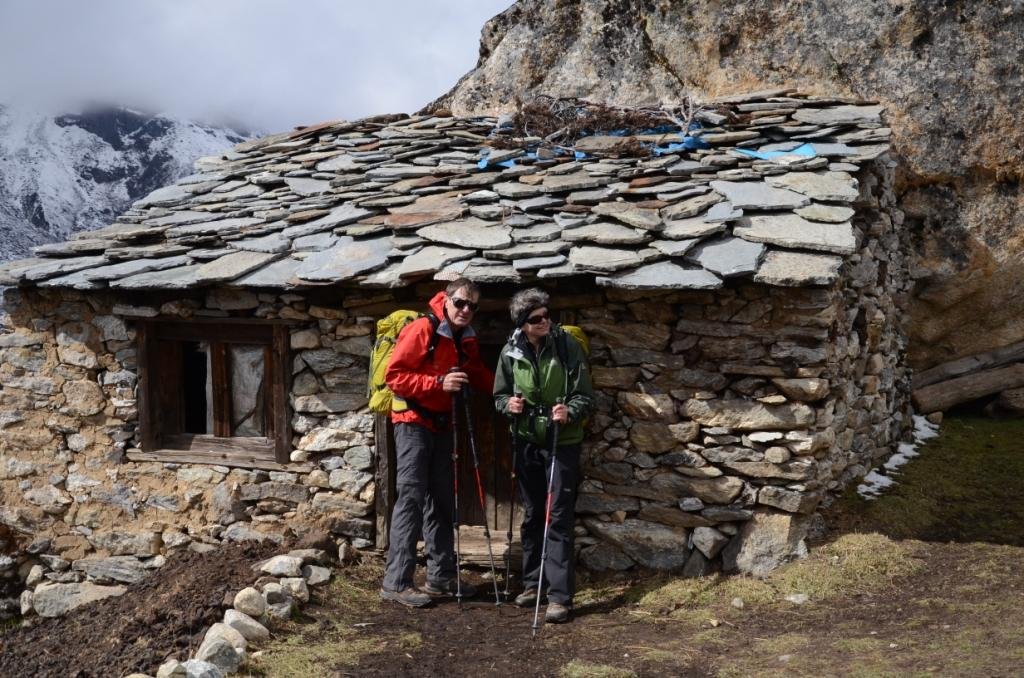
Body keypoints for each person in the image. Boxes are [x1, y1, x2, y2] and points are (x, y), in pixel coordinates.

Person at [380, 278, 494, 608]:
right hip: (412, 423)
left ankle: (441, 577)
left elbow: (478, 373)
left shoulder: (464, 339)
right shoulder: (422, 329)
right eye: (460, 302)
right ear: (445, 300)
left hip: (442, 426)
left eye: (472, 306)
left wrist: (511, 391)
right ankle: (396, 582)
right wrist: (439, 382)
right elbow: (395, 377)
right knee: (411, 498)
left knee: (442, 501)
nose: (466, 309)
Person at [493, 288, 594, 623]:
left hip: (561, 440)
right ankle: (533, 583)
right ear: (522, 323)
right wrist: (508, 405)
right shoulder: (510, 351)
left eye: (546, 316)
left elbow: (585, 395)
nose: (544, 322)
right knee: (534, 513)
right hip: (526, 441)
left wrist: (570, 411)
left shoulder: (567, 346)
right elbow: (499, 395)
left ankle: (559, 597)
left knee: (558, 515)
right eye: (536, 319)